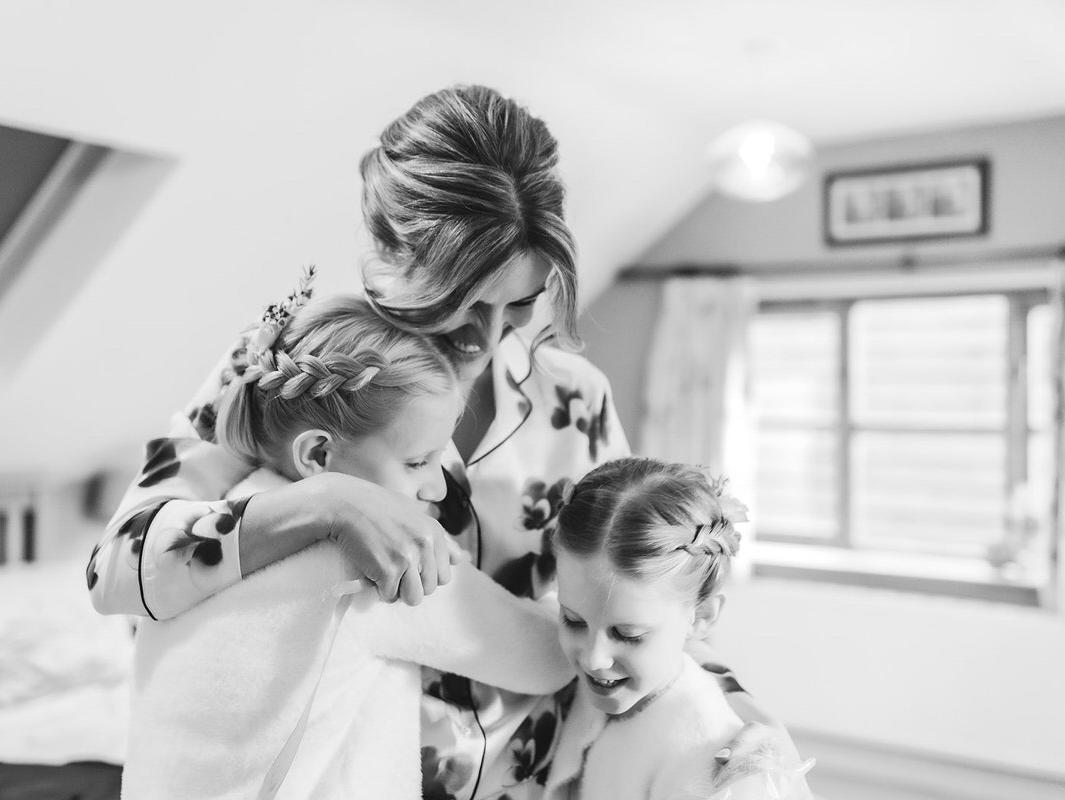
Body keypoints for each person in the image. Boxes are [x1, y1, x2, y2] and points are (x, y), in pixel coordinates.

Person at [88, 84, 791, 799]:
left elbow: (642, 590)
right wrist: (327, 504)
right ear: (391, 257)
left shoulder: (576, 402)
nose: (486, 339)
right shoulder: (296, 375)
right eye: (461, 302)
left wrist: (729, 708)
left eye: (519, 303)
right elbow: (117, 566)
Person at [122, 285, 576, 799]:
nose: (438, 486)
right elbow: (549, 659)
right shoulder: (373, 558)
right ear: (318, 455)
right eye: (417, 462)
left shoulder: (210, 532)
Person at [542, 458, 814, 800]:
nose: (594, 658)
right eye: (572, 620)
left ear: (700, 617)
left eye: (627, 634)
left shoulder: (709, 762)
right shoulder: (616, 692)